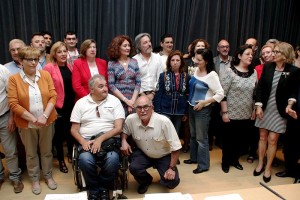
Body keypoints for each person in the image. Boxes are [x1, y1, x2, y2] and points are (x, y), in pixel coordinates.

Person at [7, 46, 57, 195]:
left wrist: (44, 116)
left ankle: (48, 176)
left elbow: (53, 96)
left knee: (46, 151)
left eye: (36, 59)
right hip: (26, 123)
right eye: (29, 59)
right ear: (21, 61)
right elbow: (13, 103)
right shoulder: (14, 79)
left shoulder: (45, 75)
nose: (34, 62)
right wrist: (34, 119)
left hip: (47, 121)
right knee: (31, 153)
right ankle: (35, 179)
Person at [70, 74, 125, 200]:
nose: (105, 88)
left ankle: (104, 188)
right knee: (84, 160)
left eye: (105, 85)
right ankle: (94, 189)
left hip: (109, 142)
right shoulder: (80, 103)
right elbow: (74, 129)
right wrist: (83, 141)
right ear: (91, 89)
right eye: (101, 86)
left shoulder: (114, 101)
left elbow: (118, 128)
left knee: (113, 159)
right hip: (87, 141)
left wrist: (100, 139)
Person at [254, 42, 298, 183]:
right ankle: (260, 163)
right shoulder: (268, 67)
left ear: (285, 56)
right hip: (265, 108)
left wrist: (290, 105)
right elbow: (260, 88)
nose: (273, 54)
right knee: (262, 137)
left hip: (279, 110)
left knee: (273, 140)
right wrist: (259, 106)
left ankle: (268, 168)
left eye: (277, 52)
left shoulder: (293, 71)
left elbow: (293, 92)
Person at [121, 96, 181, 194]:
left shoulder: (163, 121)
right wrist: (124, 140)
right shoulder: (130, 119)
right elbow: (125, 131)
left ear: (152, 107)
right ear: (135, 109)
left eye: (146, 107)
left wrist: (171, 168)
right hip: (143, 153)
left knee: (172, 183)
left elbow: (176, 147)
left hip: (163, 155)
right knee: (134, 167)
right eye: (139, 108)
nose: (142, 110)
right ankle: (146, 181)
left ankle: (165, 174)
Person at [183, 49, 224, 174]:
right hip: (192, 107)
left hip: (203, 110)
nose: (196, 62)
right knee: (193, 135)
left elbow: (220, 94)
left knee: (202, 138)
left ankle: (203, 165)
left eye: (199, 60)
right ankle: (194, 158)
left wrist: (204, 102)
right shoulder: (196, 70)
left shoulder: (212, 75)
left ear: (206, 61)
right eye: (195, 58)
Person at [220, 45, 257, 173]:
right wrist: (225, 112)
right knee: (228, 140)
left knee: (240, 141)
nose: (250, 56)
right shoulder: (229, 72)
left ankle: (235, 160)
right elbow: (222, 94)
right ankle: (225, 162)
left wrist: (254, 109)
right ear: (240, 56)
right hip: (231, 113)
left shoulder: (254, 72)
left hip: (246, 113)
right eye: (247, 54)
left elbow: (255, 93)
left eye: (252, 54)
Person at [44, 41, 75, 173]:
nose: (63, 54)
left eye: (64, 51)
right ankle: (61, 160)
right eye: (59, 52)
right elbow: (46, 91)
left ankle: (70, 154)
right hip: (57, 106)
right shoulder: (49, 67)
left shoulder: (70, 66)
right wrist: (52, 108)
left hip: (71, 105)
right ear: (54, 54)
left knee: (70, 131)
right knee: (58, 135)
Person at [154, 50, 190, 139]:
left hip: (179, 110)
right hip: (165, 109)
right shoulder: (164, 75)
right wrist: (158, 111)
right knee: (164, 133)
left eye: (177, 60)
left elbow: (187, 95)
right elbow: (158, 94)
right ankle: (164, 152)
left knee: (176, 133)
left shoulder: (186, 76)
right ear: (169, 62)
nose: (175, 62)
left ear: (181, 62)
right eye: (172, 60)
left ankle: (174, 152)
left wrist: (186, 112)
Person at [0, 64, 24, 193]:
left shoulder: (3, 70)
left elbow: (12, 96)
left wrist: (11, 118)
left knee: (10, 150)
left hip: (4, 116)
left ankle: (15, 176)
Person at [275, 66, 300, 183]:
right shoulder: (296, 72)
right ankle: (290, 170)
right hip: (293, 113)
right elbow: (292, 91)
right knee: (290, 145)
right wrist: (289, 106)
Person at [107, 35, 141, 116]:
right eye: (125, 46)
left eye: (129, 45)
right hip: (117, 102)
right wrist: (126, 100)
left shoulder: (134, 61)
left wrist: (132, 101)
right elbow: (111, 85)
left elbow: (138, 83)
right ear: (118, 47)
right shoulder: (111, 64)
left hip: (133, 102)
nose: (128, 48)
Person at [133, 33, 164, 100]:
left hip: (156, 94)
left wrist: (153, 93)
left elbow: (160, 77)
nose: (149, 44)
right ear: (139, 46)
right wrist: (142, 94)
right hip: (139, 96)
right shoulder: (134, 60)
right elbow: (133, 80)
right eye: (145, 43)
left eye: (149, 41)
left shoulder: (158, 58)